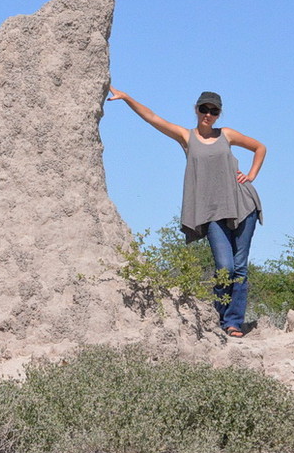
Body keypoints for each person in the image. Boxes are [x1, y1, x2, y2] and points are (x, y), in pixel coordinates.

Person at [107, 87, 266, 338]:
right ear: (196, 109)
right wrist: (127, 98)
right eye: (204, 109)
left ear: (219, 114)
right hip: (211, 212)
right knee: (225, 266)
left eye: (214, 111)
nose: (208, 114)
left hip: (243, 205)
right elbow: (153, 118)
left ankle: (233, 321)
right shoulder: (186, 137)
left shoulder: (227, 135)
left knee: (240, 267)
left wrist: (252, 175)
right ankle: (219, 317)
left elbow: (259, 147)